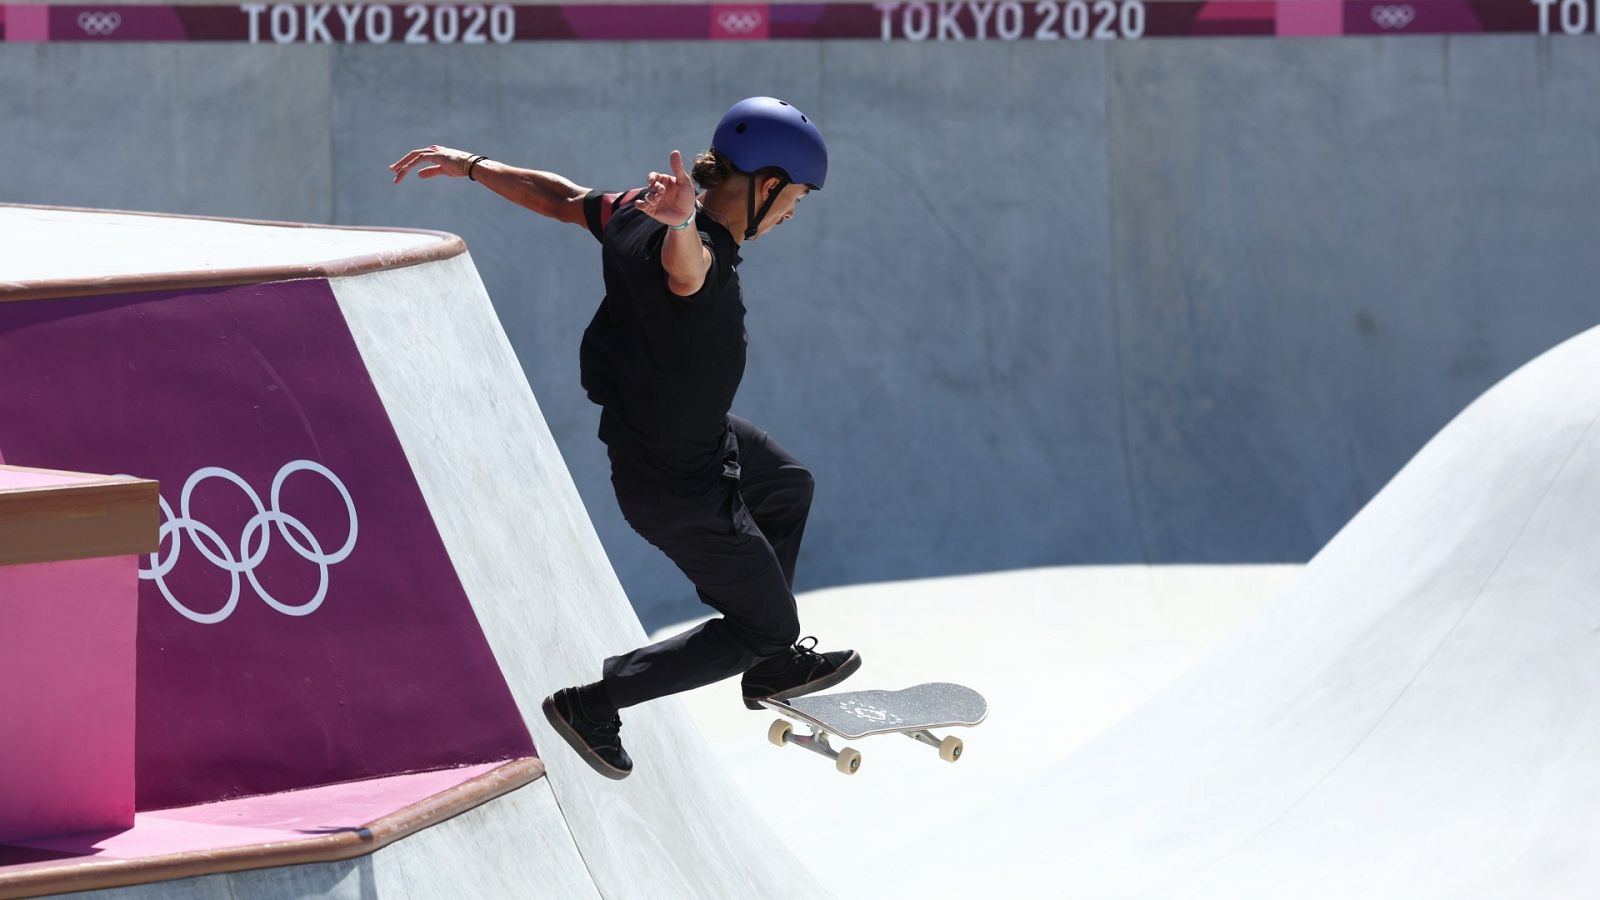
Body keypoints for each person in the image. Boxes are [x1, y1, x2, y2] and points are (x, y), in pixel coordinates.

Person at [389, 97, 860, 780]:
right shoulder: (693, 245)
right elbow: (685, 270)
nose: (793, 214)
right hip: (681, 486)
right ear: (764, 186)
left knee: (787, 483)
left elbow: (565, 200)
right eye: (796, 198)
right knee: (765, 623)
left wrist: (474, 167)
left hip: (682, 438)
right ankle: (597, 703)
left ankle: (771, 665)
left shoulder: (638, 208)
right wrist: (682, 229)